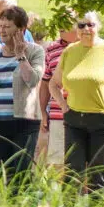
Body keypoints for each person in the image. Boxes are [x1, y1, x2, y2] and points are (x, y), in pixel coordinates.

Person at [55, 11, 104, 195]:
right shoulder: (69, 51)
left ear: (98, 27)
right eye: (81, 25)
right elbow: (54, 84)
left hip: (103, 121)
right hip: (74, 120)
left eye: (91, 25)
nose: (86, 29)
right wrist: (64, 106)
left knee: (97, 174)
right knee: (72, 172)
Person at [0, 4, 43, 187]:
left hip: (24, 123)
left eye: (8, 27)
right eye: (1, 26)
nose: (2, 31)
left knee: (20, 174)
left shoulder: (35, 52)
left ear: (21, 30)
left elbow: (33, 80)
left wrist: (21, 56)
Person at [39, 12, 75, 168]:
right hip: (58, 115)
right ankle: (58, 193)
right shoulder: (52, 49)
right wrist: (42, 111)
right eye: (59, 21)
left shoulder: (91, 48)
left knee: (84, 165)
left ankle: (84, 193)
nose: (61, 26)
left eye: (66, 22)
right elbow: (45, 83)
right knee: (57, 163)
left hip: (87, 114)